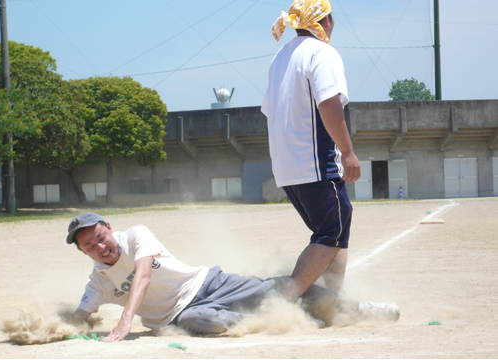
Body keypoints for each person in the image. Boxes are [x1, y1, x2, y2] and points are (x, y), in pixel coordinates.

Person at [67, 212, 399, 342]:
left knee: (281, 288)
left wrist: (126, 320)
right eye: (89, 246)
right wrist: (57, 326)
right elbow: (79, 318)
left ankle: (359, 308)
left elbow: (142, 275)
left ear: (109, 228)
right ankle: (292, 319)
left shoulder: (136, 235)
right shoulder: (97, 283)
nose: (99, 246)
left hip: (209, 283)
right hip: (183, 315)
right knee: (207, 322)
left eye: (100, 237)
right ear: (83, 253)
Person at [261, 0, 360, 300]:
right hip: (313, 163)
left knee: (336, 226)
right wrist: (347, 152)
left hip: (286, 168)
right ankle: (282, 303)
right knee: (330, 233)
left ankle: (333, 299)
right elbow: (329, 104)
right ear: (325, 21)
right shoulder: (322, 52)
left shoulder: (281, 57)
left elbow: (269, 110)